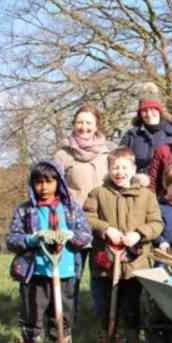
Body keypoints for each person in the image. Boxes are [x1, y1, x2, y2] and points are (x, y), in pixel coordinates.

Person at [6, 160, 92, 343]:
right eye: (38, 182)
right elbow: (12, 239)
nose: (43, 187)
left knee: (64, 317)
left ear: (58, 182)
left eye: (49, 181)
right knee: (32, 317)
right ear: (32, 184)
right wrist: (31, 239)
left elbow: (86, 235)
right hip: (35, 274)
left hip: (65, 272)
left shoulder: (71, 209)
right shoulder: (25, 211)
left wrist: (72, 236)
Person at [84, 147, 164, 343]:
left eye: (124, 167)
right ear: (108, 169)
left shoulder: (146, 195)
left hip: (135, 262)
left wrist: (139, 234)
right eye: (115, 168)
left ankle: (134, 340)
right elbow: (86, 218)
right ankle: (109, 338)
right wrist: (106, 229)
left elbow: (157, 223)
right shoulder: (98, 193)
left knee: (133, 304)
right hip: (106, 260)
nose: (119, 172)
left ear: (134, 169)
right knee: (106, 303)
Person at [53, 105, 115, 321]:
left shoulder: (108, 152)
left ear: (96, 125)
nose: (84, 127)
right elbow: (54, 189)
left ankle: (104, 320)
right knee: (73, 275)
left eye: (88, 122)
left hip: (102, 223)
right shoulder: (63, 154)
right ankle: (68, 321)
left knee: (101, 276)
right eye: (80, 122)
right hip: (73, 224)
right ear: (74, 124)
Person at [119, 95, 172, 174]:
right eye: (144, 111)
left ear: (159, 111)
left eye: (152, 109)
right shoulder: (131, 135)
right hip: (138, 183)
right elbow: (119, 160)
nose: (149, 114)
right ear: (140, 114)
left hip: (166, 183)